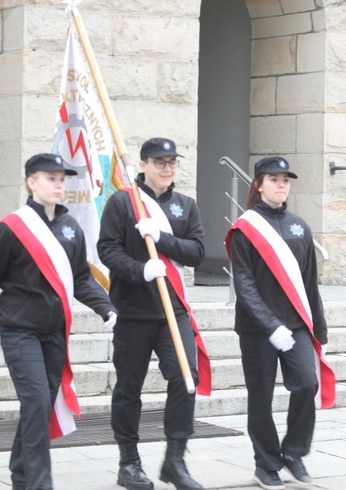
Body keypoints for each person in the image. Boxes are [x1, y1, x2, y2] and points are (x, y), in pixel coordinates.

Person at [0, 153, 118, 490]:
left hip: (55, 331)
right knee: (36, 401)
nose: (58, 185)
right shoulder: (13, 227)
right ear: (31, 182)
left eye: (61, 179)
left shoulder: (71, 227)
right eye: (50, 179)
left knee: (40, 406)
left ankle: (21, 475)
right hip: (20, 330)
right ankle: (39, 484)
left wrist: (106, 308)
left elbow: (81, 279)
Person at [97, 137, 211, 490]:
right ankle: (128, 463)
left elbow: (196, 252)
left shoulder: (185, 205)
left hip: (172, 310)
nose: (166, 168)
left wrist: (161, 238)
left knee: (185, 379)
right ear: (143, 165)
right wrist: (139, 270)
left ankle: (175, 462)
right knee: (129, 388)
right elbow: (107, 250)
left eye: (172, 162)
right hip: (133, 310)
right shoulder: (123, 203)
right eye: (159, 162)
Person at [225, 156, 335, 490]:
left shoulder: (300, 226)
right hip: (258, 328)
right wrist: (270, 325)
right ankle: (266, 464)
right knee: (260, 398)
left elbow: (309, 283)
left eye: (285, 180)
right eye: (274, 179)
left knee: (306, 384)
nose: (281, 185)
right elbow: (243, 285)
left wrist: (320, 329)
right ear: (259, 184)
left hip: (297, 325)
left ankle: (293, 452)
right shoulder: (246, 228)